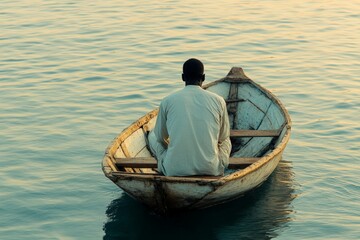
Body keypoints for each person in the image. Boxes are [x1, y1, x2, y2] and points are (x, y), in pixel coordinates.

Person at [148, 58, 231, 176]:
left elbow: (161, 137)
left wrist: (171, 148)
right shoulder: (218, 101)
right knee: (227, 140)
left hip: (174, 170)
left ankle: (172, 160)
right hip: (210, 170)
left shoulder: (168, 101)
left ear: (183, 77)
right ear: (203, 78)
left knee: (153, 136)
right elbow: (222, 137)